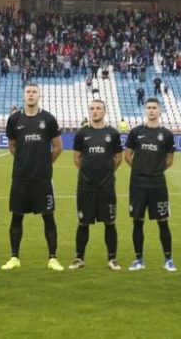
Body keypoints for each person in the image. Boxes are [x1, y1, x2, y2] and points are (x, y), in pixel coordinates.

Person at [1, 83, 64, 271]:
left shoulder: (48, 119)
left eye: (34, 92)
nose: (31, 94)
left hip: (42, 179)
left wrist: (45, 163)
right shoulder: (14, 119)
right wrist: (23, 160)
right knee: (16, 217)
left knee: (48, 217)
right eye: (28, 92)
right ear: (24, 95)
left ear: (39, 95)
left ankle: (52, 258)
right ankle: (14, 257)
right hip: (20, 178)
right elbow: (12, 145)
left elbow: (58, 147)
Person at [69, 100, 123, 270]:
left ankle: (112, 259)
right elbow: (76, 158)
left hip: (106, 187)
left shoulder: (113, 133)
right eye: (92, 108)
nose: (95, 111)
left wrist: (107, 172)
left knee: (110, 222)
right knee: (83, 222)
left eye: (98, 108)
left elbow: (118, 158)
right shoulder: (82, 133)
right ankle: (79, 258)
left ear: (104, 111)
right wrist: (87, 174)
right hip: (86, 187)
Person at [124, 98, 177, 272]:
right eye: (149, 107)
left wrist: (156, 170)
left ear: (159, 111)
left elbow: (170, 159)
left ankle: (168, 260)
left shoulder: (166, 134)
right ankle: (138, 260)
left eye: (154, 107)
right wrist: (140, 169)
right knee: (137, 221)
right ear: (145, 110)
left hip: (158, 184)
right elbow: (127, 155)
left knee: (163, 221)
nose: (151, 110)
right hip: (138, 183)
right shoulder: (135, 132)